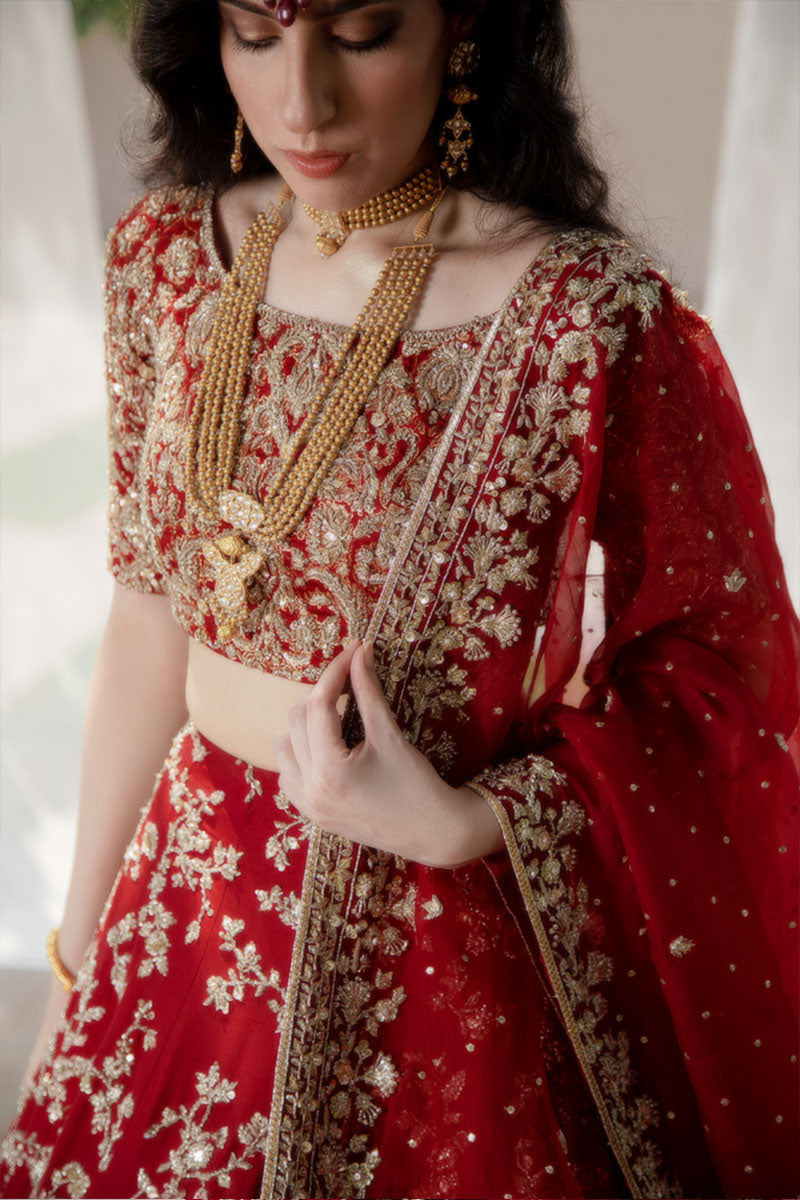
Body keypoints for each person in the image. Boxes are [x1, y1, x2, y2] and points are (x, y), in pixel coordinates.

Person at [1, 0, 798, 1196]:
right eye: (256, 33)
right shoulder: (167, 260)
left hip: (441, 951)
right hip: (186, 922)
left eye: (362, 32)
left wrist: (465, 825)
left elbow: (723, 674)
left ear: (462, 33)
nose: (300, 102)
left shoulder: (585, 317)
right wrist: (77, 969)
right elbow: (149, 615)